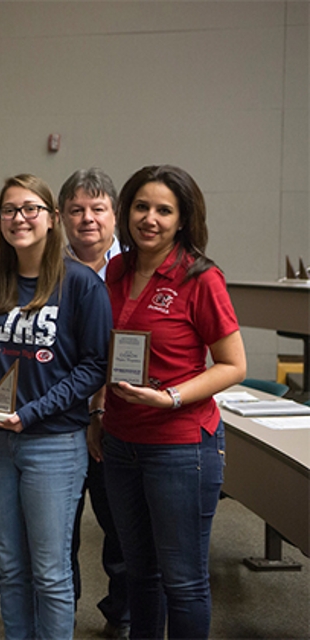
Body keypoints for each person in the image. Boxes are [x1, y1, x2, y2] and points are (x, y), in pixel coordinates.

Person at [99, 165, 246, 639]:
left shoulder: (201, 279)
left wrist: (171, 398)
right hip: (121, 442)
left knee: (183, 583)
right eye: (141, 207)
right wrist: (99, 413)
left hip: (180, 447)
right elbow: (110, 349)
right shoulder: (117, 269)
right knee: (141, 574)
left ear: (183, 219)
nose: (150, 219)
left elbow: (232, 364)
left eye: (165, 210)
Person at [0, 174, 111, 640]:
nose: (19, 218)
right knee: (9, 565)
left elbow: (93, 368)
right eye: (9, 209)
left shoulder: (82, 284)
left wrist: (31, 413)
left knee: (50, 572)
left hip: (54, 443)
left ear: (51, 219)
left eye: (30, 208)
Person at [58, 168, 129, 639]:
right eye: (76, 210)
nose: (87, 219)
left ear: (115, 215)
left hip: (121, 423)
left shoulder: (135, 272)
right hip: (60, 422)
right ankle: (60, 609)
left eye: (98, 208)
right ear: (60, 217)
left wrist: (101, 411)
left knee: (120, 526)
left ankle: (121, 614)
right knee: (58, 531)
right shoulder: (46, 270)